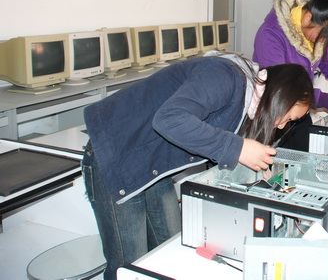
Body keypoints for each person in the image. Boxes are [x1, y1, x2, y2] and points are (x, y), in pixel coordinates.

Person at [82, 52, 314, 280]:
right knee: (129, 267)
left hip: (152, 164)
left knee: (170, 252)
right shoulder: (226, 75)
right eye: (288, 117)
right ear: (280, 96)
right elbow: (170, 119)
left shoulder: (247, 102)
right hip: (117, 155)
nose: (282, 126)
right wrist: (238, 148)